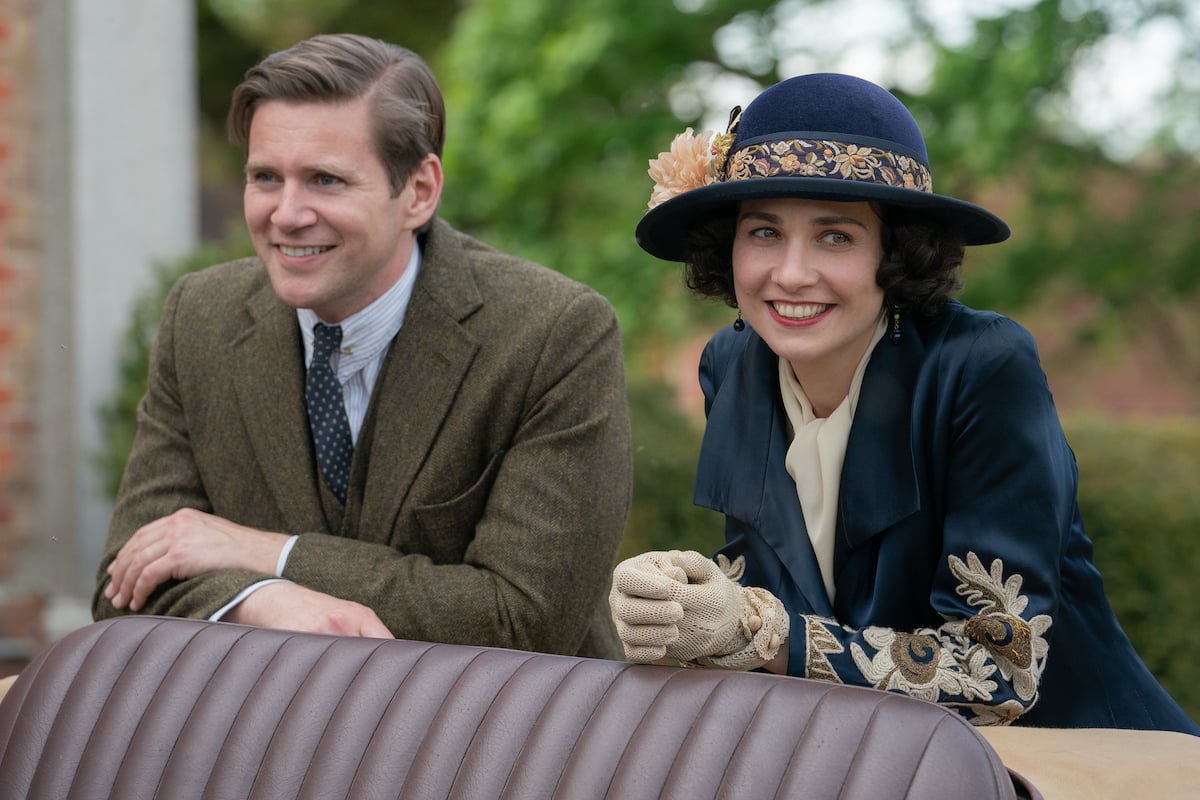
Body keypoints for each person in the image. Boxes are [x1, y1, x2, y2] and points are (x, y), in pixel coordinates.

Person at [609, 72, 1200, 736]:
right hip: (869, 763)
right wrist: (683, 600)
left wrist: (757, 633)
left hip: (1081, 762)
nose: (792, 273)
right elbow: (773, 600)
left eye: (835, 236)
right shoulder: (730, 365)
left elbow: (998, 672)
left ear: (896, 254)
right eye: (764, 233)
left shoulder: (984, 366)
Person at [91, 33, 632, 660]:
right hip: (276, 740)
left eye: (325, 180)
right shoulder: (200, 318)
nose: (287, 213)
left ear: (420, 192)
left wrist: (269, 552)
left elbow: (523, 621)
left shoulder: (554, 333)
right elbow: (123, 589)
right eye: (266, 177)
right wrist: (263, 599)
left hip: (499, 740)